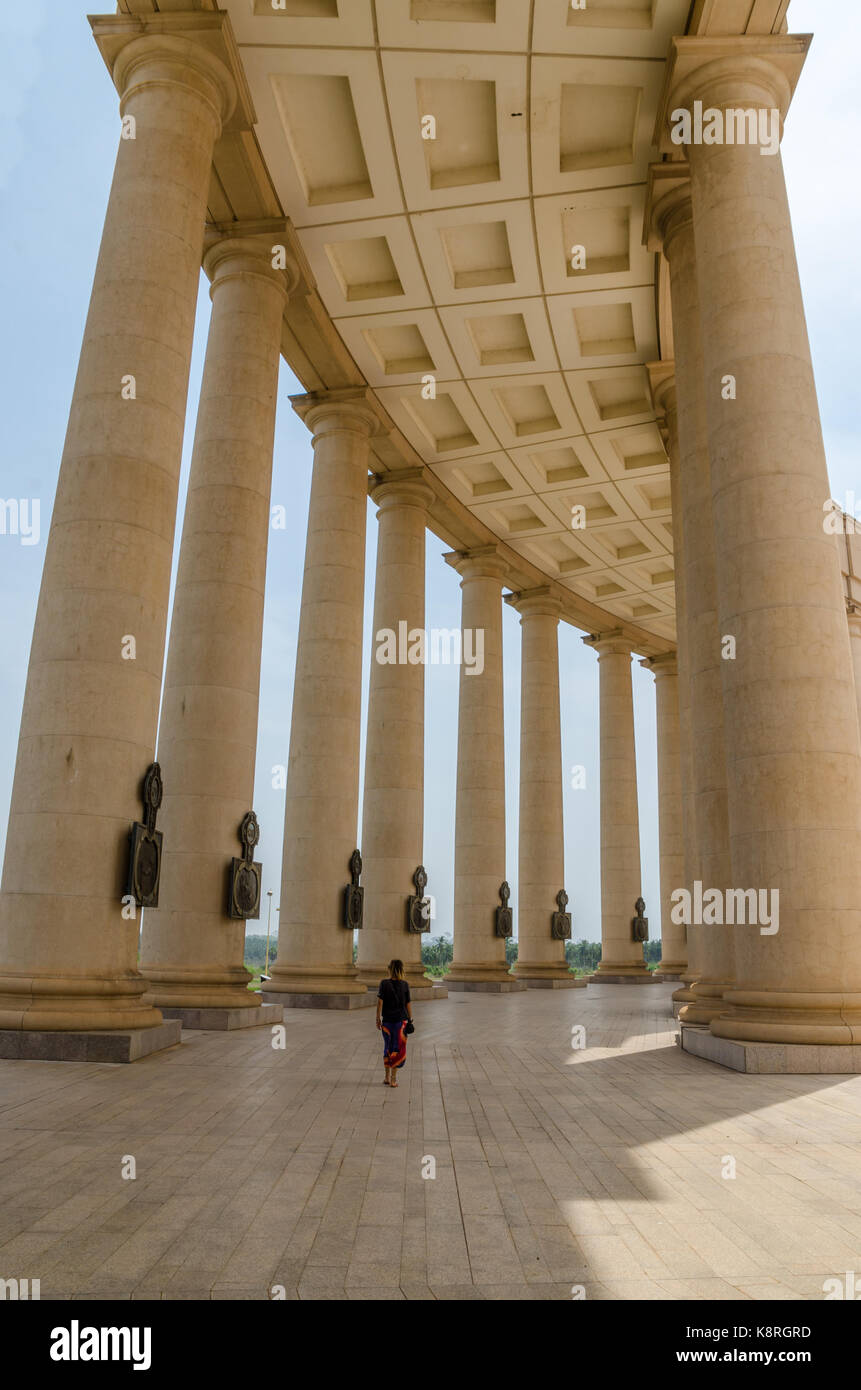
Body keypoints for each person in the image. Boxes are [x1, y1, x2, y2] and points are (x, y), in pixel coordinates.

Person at [376, 959, 413, 1087]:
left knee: (387, 1047)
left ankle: (386, 1077)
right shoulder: (405, 985)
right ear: (402, 970)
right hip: (400, 1023)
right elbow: (408, 1004)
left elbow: (380, 1002)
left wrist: (377, 1018)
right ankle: (393, 1079)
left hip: (386, 1022)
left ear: (390, 969)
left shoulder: (383, 983)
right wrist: (410, 1019)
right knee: (396, 1049)